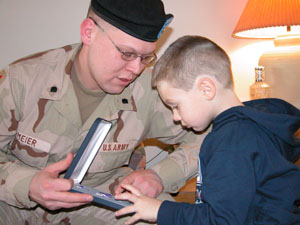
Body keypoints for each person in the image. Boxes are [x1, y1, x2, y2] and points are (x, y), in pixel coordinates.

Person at [0, 1, 205, 224]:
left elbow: (211, 136)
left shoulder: (150, 91)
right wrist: (27, 184)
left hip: (98, 198)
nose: (136, 69)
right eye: (127, 54)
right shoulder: (20, 81)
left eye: (146, 57)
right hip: (14, 203)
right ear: (88, 33)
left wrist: (160, 175)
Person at [114, 35, 300, 225]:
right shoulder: (251, 125)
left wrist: (160, 210)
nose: (175, 117)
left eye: (175, 105)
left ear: (206, 89)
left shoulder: (230, 144)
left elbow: (221, 221)